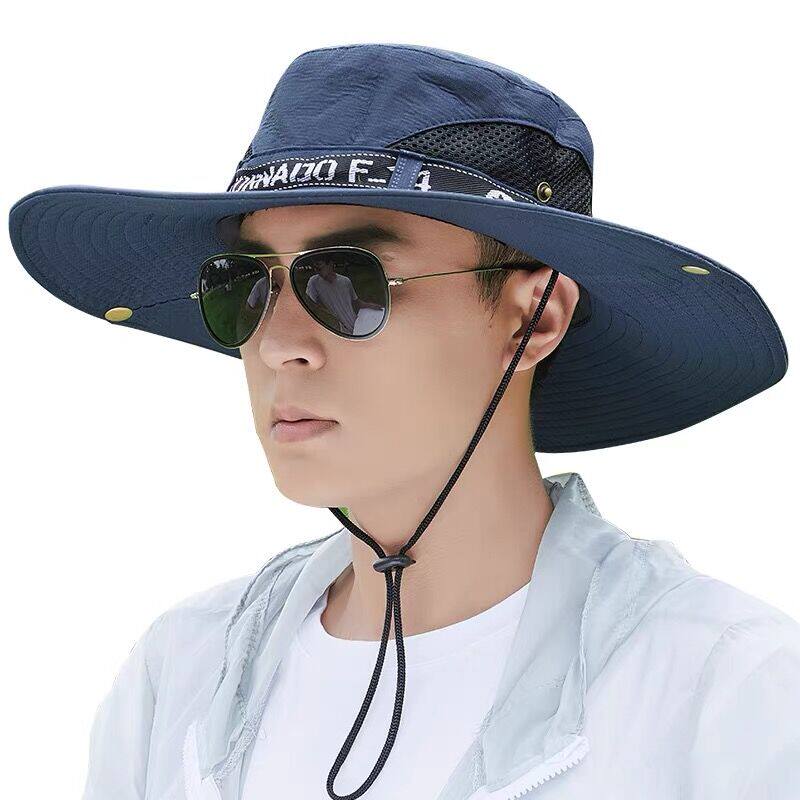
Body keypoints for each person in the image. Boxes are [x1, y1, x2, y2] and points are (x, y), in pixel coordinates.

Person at [8, 43, 798, 800]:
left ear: (535, 317)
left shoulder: (723, 692)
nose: (278, 344)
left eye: (348, 280)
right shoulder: (179, 679)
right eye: (243, 284)